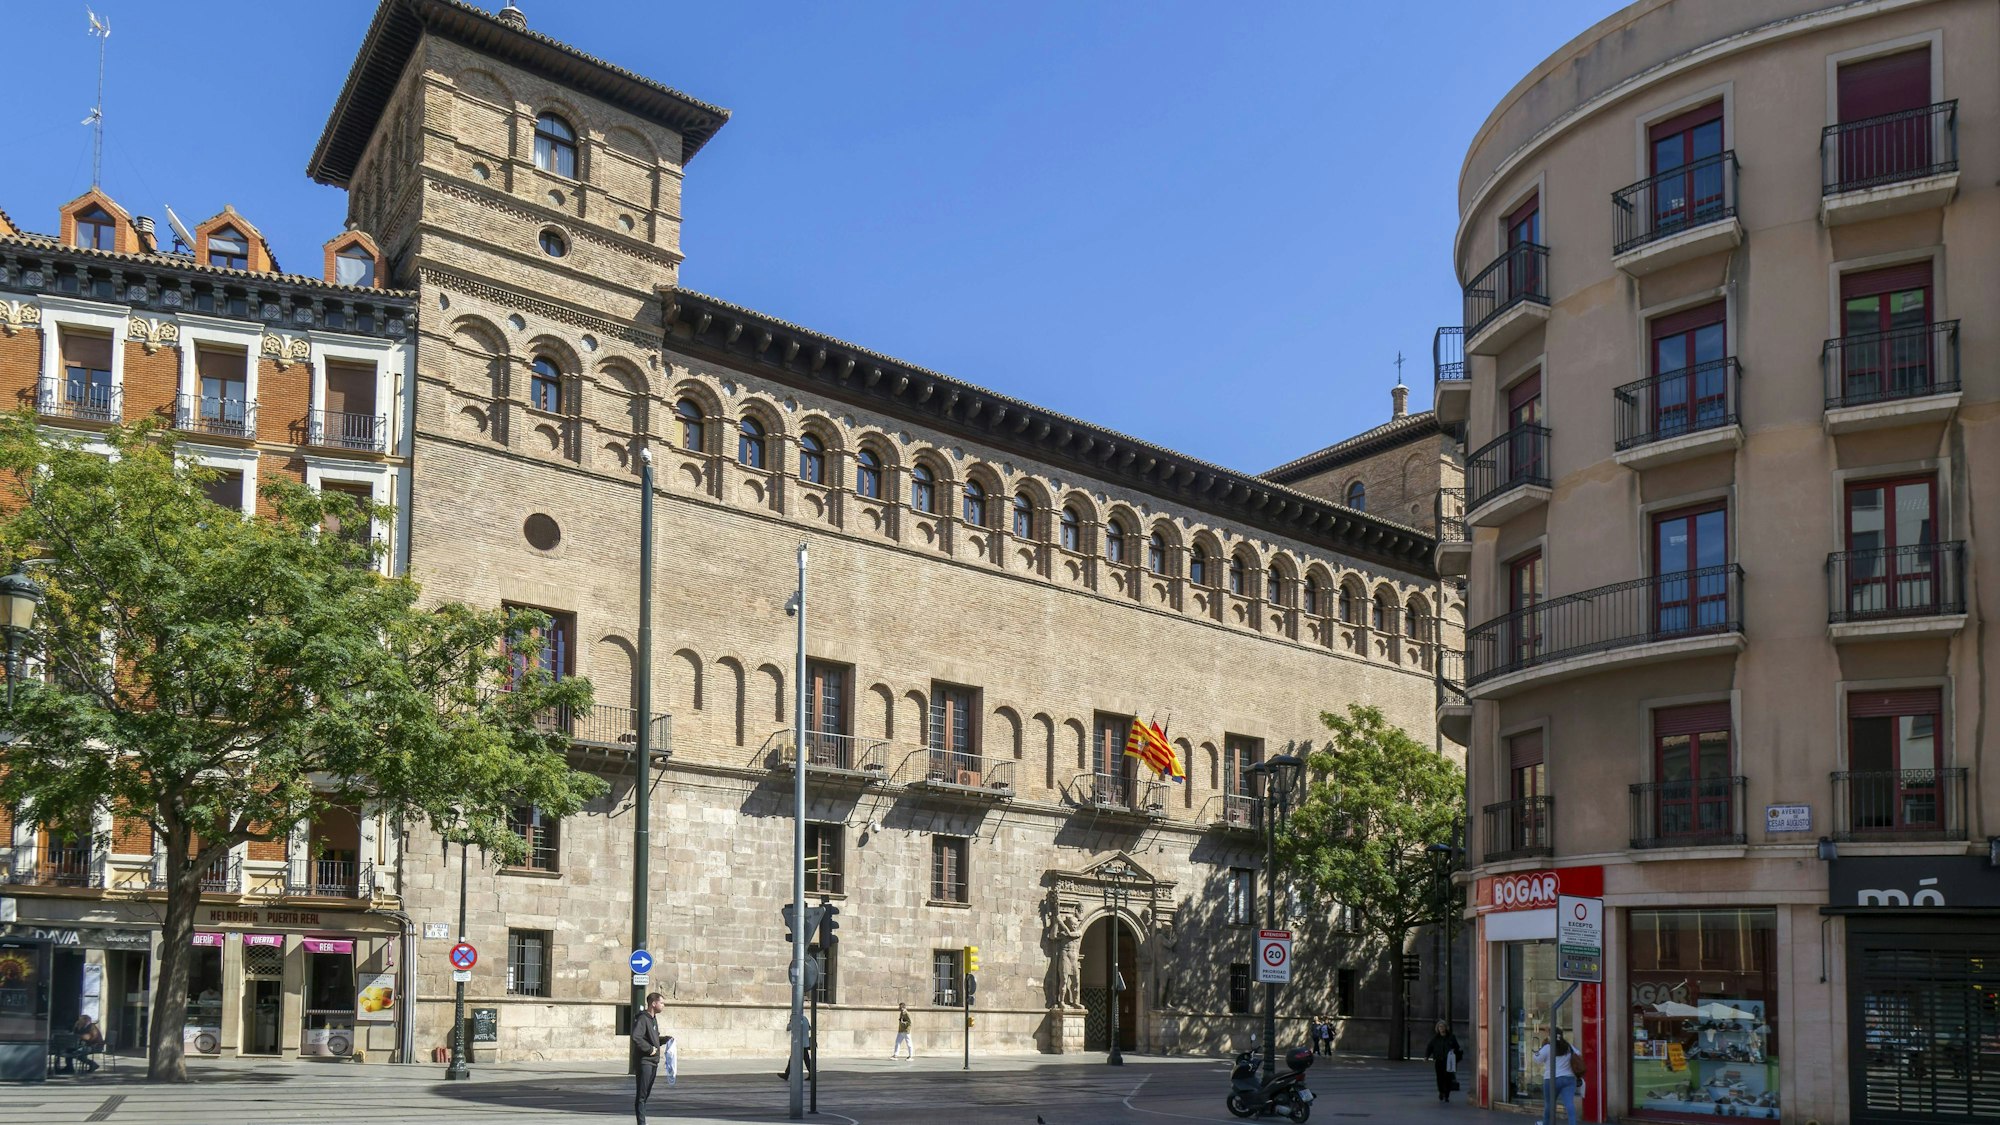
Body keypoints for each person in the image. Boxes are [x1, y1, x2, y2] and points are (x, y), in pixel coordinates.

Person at [631, 992, 665, 1124]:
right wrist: (649, 1049)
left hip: (653, 1062)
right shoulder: (643, 1019)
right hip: (645, 1062)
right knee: (641, 1095)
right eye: (661, 1003)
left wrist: (665, 1040)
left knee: (646, 1095)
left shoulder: (653, 1019)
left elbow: (652, 1039)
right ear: (654, 1003)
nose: (663, 1005)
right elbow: (636, 1037)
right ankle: (641, 1122)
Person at [1534, 1031, 1583, 1124]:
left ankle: (1546, 1123)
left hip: (1551, 1079)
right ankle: (1572, 1123)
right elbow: (1578, 1054)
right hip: (1569, 1079)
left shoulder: (1548, 1047)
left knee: (1549, 1104)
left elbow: (1537, 1059)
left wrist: (1541, 1047)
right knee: (1569, 1104)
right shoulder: (1568, 1047)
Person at [1425, 1020, 1462, 1103]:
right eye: (1440, 1027)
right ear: (1437, 1028)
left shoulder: (1451, 1037)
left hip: (1448, 1061)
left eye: (1443, 1026)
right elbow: (1430, 1047)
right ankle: (1441, 1091)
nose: (1441, 1028)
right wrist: (1426, 1056)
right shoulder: (1435, 1038)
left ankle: (1447, 1094)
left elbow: (1457, 1048)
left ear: (1446, 1028)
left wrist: (1456, 1055)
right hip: (1439, 1060)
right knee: (1440, 1077)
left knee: (1448, 1078)